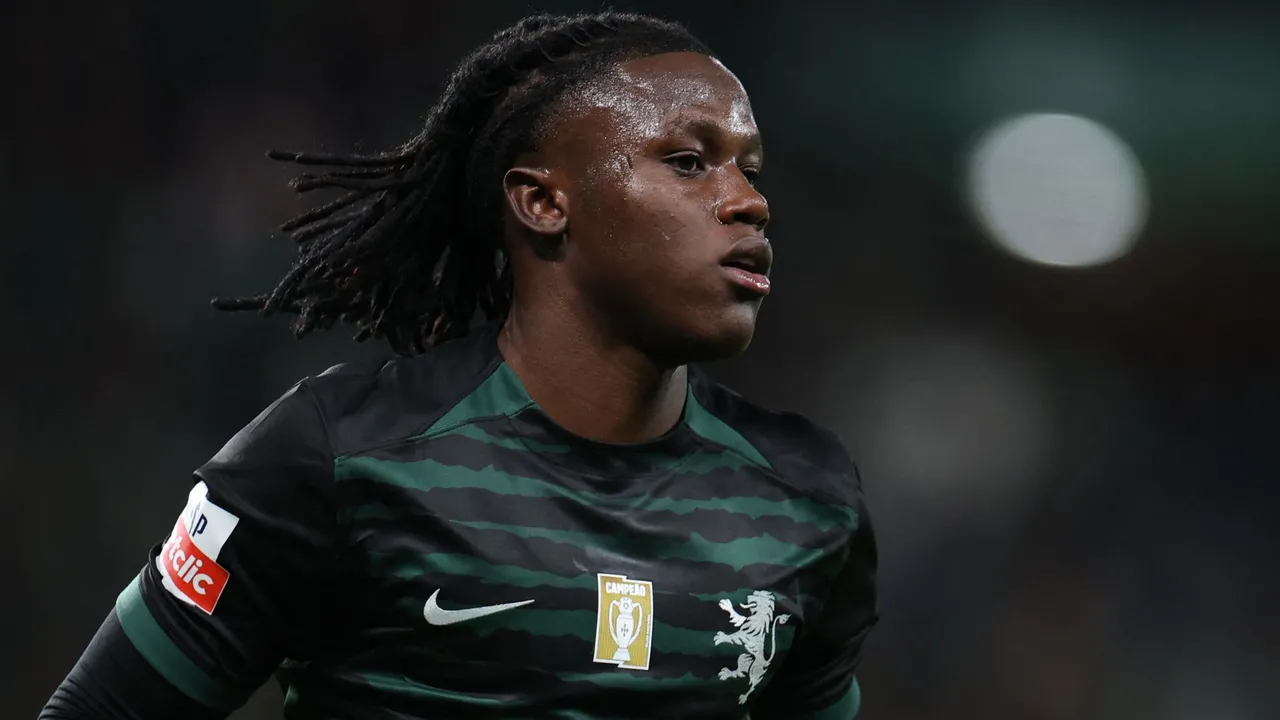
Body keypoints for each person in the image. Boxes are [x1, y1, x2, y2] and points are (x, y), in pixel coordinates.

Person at [40, 11, 878, 720]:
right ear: (542, 202)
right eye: (689, 162)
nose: (749, 201)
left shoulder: (807, 501)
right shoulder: (339, 456)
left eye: (750, 171)